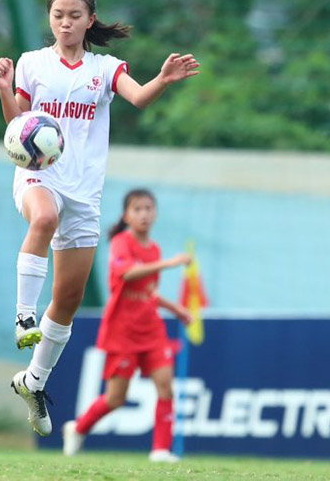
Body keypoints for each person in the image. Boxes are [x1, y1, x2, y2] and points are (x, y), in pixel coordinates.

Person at [0, 0, 199, 436]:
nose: (64, 23)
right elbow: (17, 126)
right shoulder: (32, 64)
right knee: (43, 218)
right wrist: (6, 89)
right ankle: (24, 314)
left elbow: (139, 97)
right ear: (50, 19)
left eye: (74, 16)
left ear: (89, 20)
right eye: (58, 15)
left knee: (68, 299)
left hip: (84, 192)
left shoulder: (104, 68)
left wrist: (162, 79)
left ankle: (34, 381)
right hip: (38, 176)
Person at [62, 188, 192, 462]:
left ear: (155, 213)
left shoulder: (154, 249)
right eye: (137, 209)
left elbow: (149, 293)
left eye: (148, 208)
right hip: (122, 331)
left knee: (166, 386)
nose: (144, 214)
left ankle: (160, 450)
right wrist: (169, 263)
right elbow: (128, 274)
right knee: (115, 398)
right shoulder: (121, 242)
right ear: (126, 215)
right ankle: (78, 428)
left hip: (152, 329)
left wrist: (176, 309)